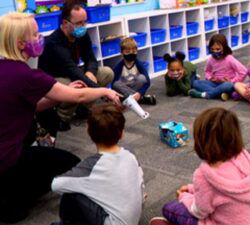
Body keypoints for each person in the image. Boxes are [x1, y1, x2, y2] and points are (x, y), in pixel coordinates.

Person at [0, 12, 121, 223]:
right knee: (70, 164)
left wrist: (60, 94)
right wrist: (105, 92)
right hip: (7, 158)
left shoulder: (6, 68)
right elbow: (80, 96)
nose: (40, 38)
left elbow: (32, 105)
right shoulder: (26, 75)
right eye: (36, 34)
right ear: (20, 43)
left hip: (6, 149)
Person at [150, 108, 250, 225]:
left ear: (201, 141)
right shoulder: (244, 157)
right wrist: (192, 188)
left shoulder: (204, 175)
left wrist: (184, 197)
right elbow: (216, 192)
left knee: (169, 208)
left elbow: (198, 212)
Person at [52, 103, 144, 225]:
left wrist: (87, 188)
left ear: (88, 131)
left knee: (72, 195)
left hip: (112, 222)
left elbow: (56, 185)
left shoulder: (91, 166)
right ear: (122, 132)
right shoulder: (130, 152)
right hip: (133, 217)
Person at [38, 2, 115, 131]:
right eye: (78, 23)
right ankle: (62, 117)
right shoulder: (54, 43)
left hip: (73, 72)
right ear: (65, 23)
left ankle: (83, 108)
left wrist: (90, 72)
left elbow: (90, 58)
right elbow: (72, 71)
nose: (83, 26)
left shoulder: (82, 35)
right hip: (55, 78)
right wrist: (103, 92)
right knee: (77, 85)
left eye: (84, 22)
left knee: (107, 72)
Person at [188, 34, 247, 101]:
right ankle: (219, 94)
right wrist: (210, 77)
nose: (215, 51)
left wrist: (232, 81)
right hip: (215, 83)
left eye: (218, 49)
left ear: (224, 48)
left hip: (227, 84)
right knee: (195, 83)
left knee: (227, 85)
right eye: (212, 49)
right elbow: (207, 71)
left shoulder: (229, 58)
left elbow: (243, 71)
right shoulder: (211, 59)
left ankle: (206, 95)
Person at [112, 37, 156, 105]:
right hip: (124, 88)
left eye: (134, 51)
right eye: (127, 52)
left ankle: (130, 98)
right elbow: (113, 84)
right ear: (121, 53)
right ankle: (140, 99)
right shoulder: (119, 66)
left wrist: (140, 93)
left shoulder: (138, 64)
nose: (131, 54)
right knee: (116, 84)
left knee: (142, 78)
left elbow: (147, 82)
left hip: (136, 86)